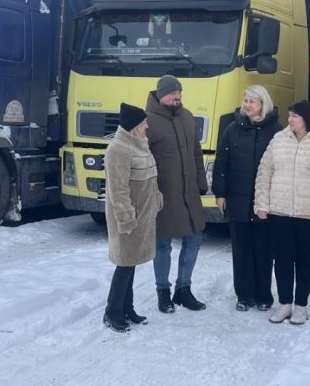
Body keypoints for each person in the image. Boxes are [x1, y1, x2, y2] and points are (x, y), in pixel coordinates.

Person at [254, 100, 310, 325]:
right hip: (279, 212)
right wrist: (262, 203)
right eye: (289, 115)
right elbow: (264, 173)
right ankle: (284, 304)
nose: (290, 119)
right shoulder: (279, 139)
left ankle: (301, 306)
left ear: (307, 118)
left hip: (309, 215)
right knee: (282, 260)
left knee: (304, 261)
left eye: (295, 116)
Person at [212, 85, 283, 312]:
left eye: (252, 101)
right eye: (245, 101)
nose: (247, 105)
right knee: (241, 250)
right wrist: (220, 193)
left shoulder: (277, 130)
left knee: (263, 250)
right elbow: (221, 163)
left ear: (264, 104)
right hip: (237, 200)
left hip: (265, 202)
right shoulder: (232, 129)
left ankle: (263, 295)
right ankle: (243, 295)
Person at [146, 74, 209, 313]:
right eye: (173, 93)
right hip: (163, 194)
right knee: (162, 244)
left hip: (188, 192)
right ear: (161, 93)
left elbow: (196, 152)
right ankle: (163, 292)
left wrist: (201, 182)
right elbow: (142, 161)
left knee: (194, 238)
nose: (178, 97)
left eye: (180, 92)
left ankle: (183, 289)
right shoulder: (148, 121)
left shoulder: (187, 117)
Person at [102, 103, 162, 332]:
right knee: (124, 265)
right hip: (128, 219)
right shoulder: (119, 149)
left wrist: (156, 200)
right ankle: (112, 312)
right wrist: (127, 219)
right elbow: (117, 190)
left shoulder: (140, 144)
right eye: (144, 122)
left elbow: (151, 180)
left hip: (143, 217)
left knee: (131, 262)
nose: (147, 126)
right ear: (135, 126)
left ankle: (127, 308)